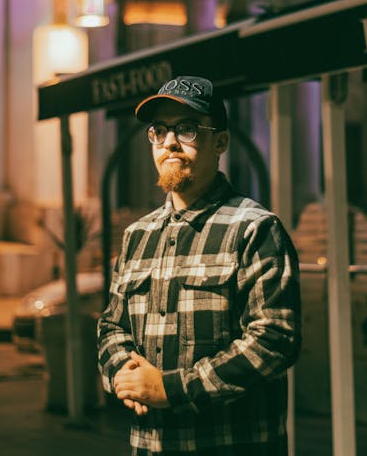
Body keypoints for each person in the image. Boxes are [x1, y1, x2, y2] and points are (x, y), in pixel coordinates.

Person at [97, 75, 301, 456]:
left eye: (186, 129)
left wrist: (172, 389)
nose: (169, 142)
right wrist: (124, 373)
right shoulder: (136, 236)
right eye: (159, 131)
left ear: (219, 142)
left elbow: (275, 339)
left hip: (232, 444)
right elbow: (112, 324)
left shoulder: (254, 228)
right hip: (151, 445)